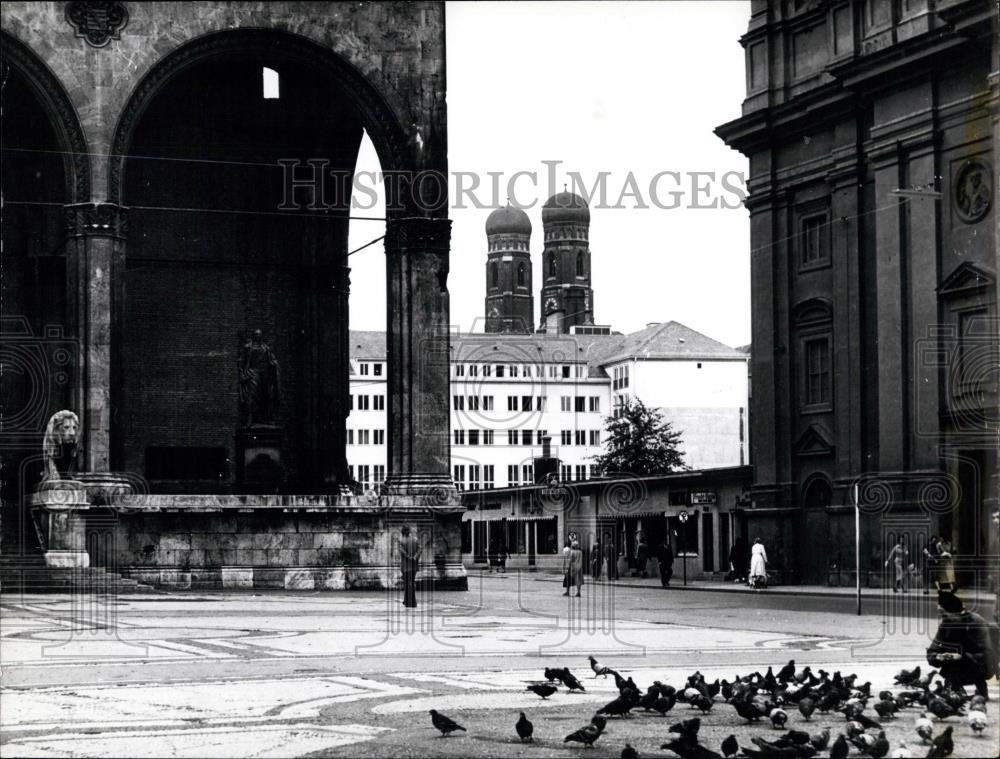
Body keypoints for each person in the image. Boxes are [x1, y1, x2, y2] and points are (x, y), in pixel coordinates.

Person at [927, 591, 1000, 700]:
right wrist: (938, 657)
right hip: (956, 666)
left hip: (980, 666)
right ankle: (955, 690)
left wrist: (963, 656)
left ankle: (980, 690)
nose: (942, 617)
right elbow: (932, 651)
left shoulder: (976, 622)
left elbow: (988, 653)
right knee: (951, 665)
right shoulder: (945, 625)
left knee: (964, 662)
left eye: (944, 613)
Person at [399, 525, 420, 608]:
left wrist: (408, 557)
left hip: (405, 566)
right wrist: (415, 557)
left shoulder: (401, 541)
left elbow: (402, 551)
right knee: (411, 583)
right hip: (414, 565)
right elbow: (420, 549)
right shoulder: (415, 540)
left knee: (407, 584)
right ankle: (408, 601)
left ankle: (410, 602)